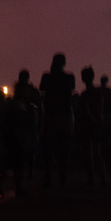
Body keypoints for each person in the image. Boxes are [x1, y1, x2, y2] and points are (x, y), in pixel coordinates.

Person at [39, 54, 77, 188]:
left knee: (48, 148)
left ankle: (49, 177)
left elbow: (42, 88)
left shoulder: (47, 77)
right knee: (64, 148)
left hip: (51, 115)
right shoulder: (69, 77)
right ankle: (62, 178)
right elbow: (71, 89)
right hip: (65, 114)